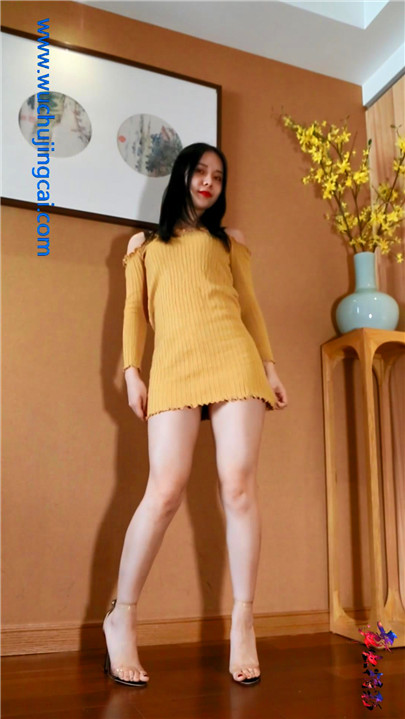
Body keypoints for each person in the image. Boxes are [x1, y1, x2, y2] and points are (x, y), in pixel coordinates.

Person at [103, 142, 288, 688]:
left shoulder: (229, 241)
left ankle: (244, 621)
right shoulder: (144, 244)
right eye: (200, 171)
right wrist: (132, 371)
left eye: (218, 176)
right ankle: (121, 617)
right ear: (182, 175)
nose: (209, 181)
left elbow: (249, 307)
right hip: (175, 365)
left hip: (234, 357)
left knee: (239, 486)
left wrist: (270, 367)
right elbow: (133, 310)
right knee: (165, 490)